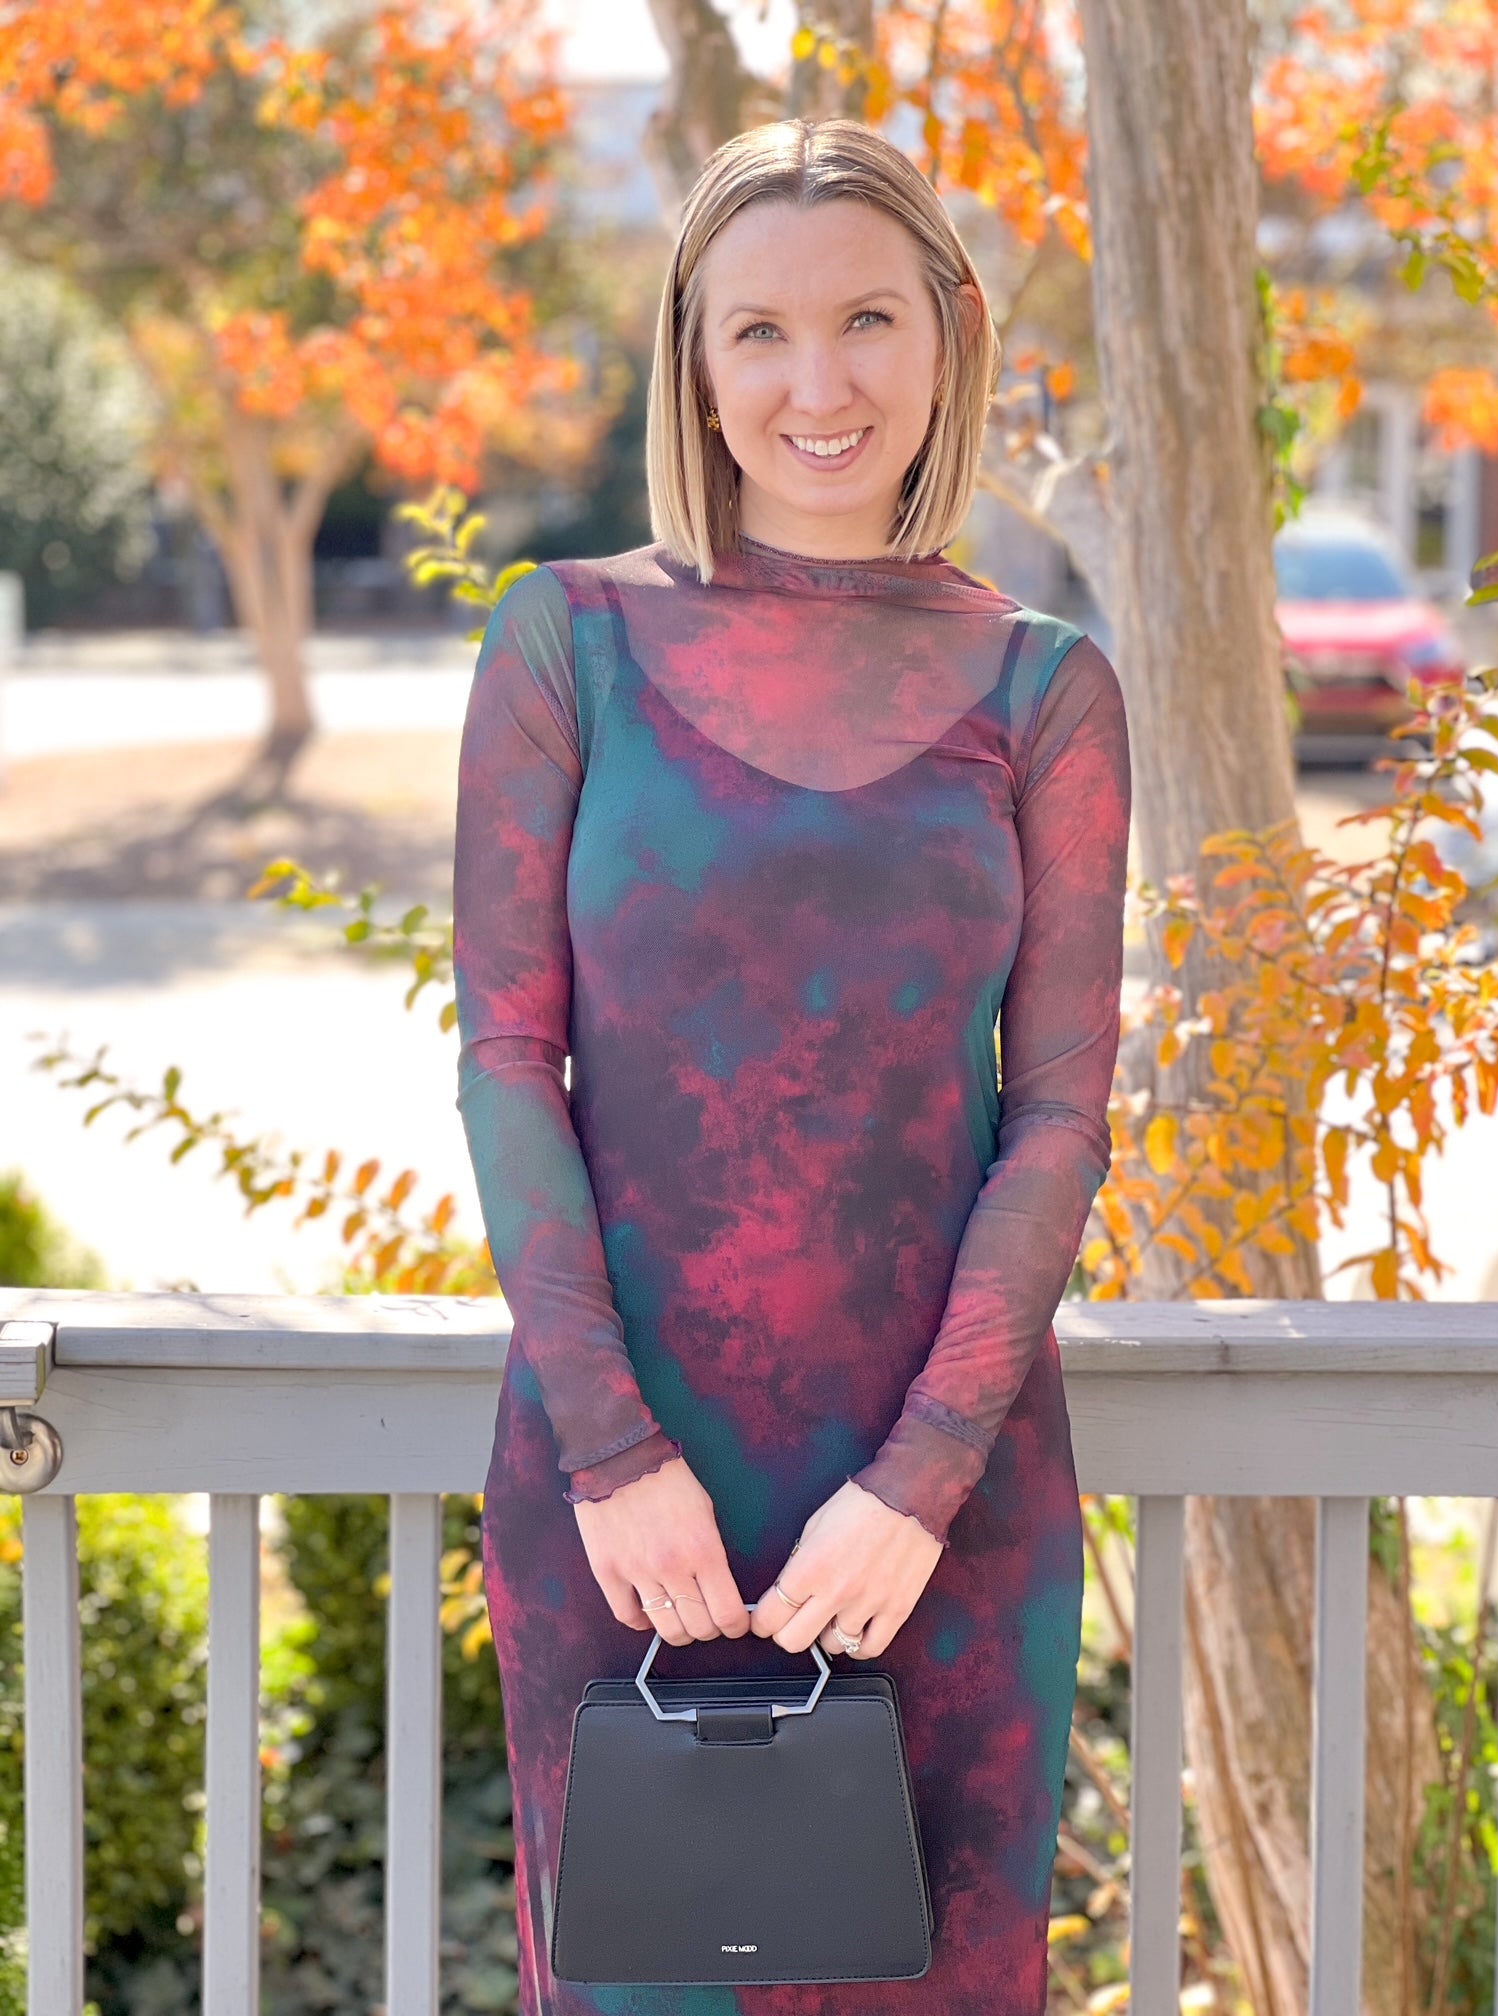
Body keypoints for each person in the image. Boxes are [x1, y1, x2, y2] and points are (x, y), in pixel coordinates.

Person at [453, 115, 1131, 2016]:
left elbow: (1061, 1108)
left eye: (865, 320)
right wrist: (613, 1451)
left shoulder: (1045, 687)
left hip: (947, 1500)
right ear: (692, 356)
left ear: (948, 333)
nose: (816, 385)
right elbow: (508, 1056)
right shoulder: (563, 645)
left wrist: (920, 1477)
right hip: (622, 1506)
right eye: (757, 331)